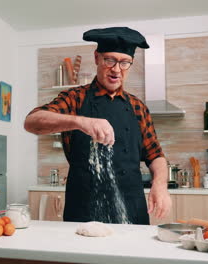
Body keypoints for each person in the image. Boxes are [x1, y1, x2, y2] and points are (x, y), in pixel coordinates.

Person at [24, 27, 171, 224]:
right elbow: (32, 121)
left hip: (132, 208)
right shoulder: (76, 98)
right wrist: (80, 121)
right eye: (109, 60)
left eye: (125, 62)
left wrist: (160, 186)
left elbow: (156, 156)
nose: (116, 69)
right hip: (84, 210)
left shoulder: (138, 107)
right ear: (97, 58)